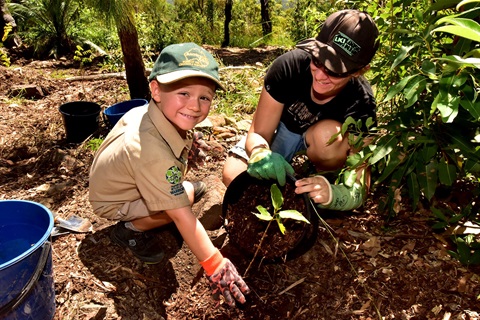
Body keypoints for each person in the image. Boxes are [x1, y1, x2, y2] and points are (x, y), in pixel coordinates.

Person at [89, 42, 250, 307]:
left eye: (204, 97)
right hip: (114, 201)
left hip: (123, 182)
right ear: (156, 90)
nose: (195, 106)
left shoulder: (151, 113)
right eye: (184, 93)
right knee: (182, 201)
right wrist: (215, 263)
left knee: (184, 191)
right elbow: (180, 214)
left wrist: (188, 144)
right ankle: (129, 229)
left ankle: (159, 202)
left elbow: (164, 145)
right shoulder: (148, 148)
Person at [222, 9, 379, 212]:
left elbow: (361, 178)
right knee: (233, 175)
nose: (321, 75)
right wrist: (260, 153)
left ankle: (320, 177)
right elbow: (260, 132)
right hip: (282, 129)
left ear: (359, 71)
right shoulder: (288, 67)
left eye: (335, 71)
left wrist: (337, 195)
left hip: (322, 142)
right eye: (318, 60)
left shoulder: (362, 103)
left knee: (328, 136)